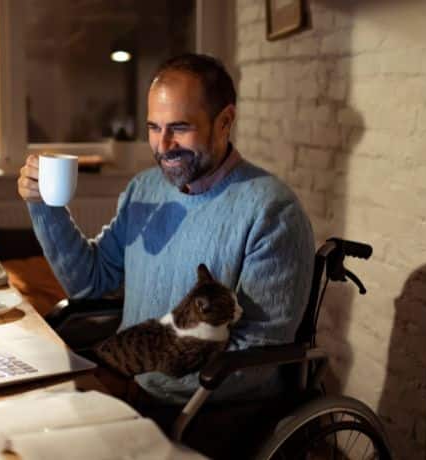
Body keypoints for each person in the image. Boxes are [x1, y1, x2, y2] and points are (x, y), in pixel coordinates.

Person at [17, 53, 314, 406]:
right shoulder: (144, 189)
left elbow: (256, 358)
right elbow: (89, 282)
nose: (163, 145)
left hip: (203, 409)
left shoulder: (272, 211)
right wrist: (44, 205)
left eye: (180, 128)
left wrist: (139, 388)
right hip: (130, 385)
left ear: (224, 121)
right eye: (154, 128)